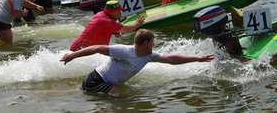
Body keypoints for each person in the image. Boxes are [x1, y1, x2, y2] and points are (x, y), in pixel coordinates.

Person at [61, 29, 214, 94]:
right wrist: (72, 56)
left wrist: (198, 59)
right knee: (125, 98)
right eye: (152, 42)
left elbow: (172, 59)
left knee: (80, 94)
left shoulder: (149, 56)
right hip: (96, 80)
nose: (154, 45)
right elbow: (96, 48)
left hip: (101, 82)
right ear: (146, 42)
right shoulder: (125, 51)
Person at [69, 0, 145, 51]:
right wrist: (137, 23)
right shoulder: (107, 21)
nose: (120, 14)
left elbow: (100, 28)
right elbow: (127, 30)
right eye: (118, 12)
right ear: (112, 12)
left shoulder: (101, 14)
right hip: (79, 51)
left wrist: (114, 32)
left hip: (85, 49)